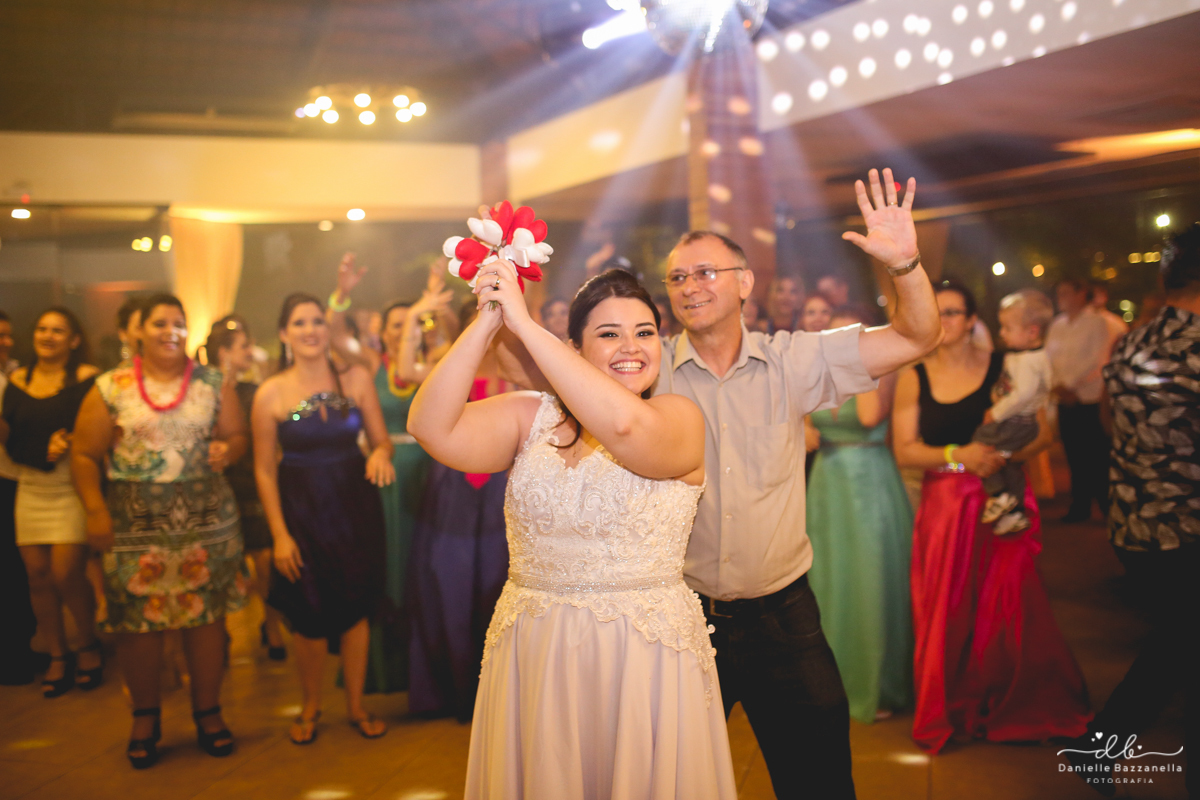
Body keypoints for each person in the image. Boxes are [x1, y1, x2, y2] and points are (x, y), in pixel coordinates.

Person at [495, 169, 942, 797]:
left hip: (784, 615)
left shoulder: (794, 360)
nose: (689, 286)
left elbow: (918, 335)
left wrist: (904, 266)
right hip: (680, 619)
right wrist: (500, 301)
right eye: (677, 277)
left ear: (745, 283)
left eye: (706, 272)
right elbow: (528, 373)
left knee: (820, 782)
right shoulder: (642, 367)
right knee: (663, 783)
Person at [410, 265, 736, 800]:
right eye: (609, 333)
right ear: (574, 349)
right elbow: (430, 426)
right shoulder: (530, 418)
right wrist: (490, 318)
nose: (630, 347)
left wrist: (525, 326)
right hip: (536, 649)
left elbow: (625, 427)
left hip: (642, 654)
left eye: (644, 332)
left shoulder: (679, 418)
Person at [893, 280, 1092, 754]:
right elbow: (905, 450)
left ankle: (1013, 703)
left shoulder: (1005, 365)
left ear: (971, 320)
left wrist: (999, 457)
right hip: (946, 508)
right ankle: (951, 707)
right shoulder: (913, 375)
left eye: (954, 312)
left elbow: (1042, 433)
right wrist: (959, 456)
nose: (945, 321)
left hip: (1002, 499)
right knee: (948, 610)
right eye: (936, 311)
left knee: (1010, 607)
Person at [72, 294, 248, 768]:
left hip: (206, 522)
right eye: (159, 323)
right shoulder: (110, 387)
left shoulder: (213, 382)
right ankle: (145, 718)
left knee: (206, 619)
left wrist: (229, 450)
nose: (171, 331)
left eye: (178, 323)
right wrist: (95, 511)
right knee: (138, 625)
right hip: (135, 526)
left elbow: (237, 437)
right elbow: (84, 455)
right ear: (138, 331)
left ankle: (208, 713)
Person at [1062, 224, 1200, 798]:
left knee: (1180, 644)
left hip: (1137, 524)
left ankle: (1098, 748)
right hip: (1188, 528)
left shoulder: (1134, 341)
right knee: (1183, 645)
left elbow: (1108, 423)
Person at [252, 293, 394, 745]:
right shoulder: (270, 392)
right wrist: (279, 534)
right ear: (284, 333)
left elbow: (382, 441)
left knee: (355, 609)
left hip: (354, 509)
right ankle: (311, 705)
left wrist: (380, 456)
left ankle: (356, 706)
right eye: (299, 322)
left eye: (317, 321)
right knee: (308, 612)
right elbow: (263, 469)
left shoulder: (356, 378)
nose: (310, 330)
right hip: (301, 513)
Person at [330, 256, 449, 694]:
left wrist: (434, 297)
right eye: (396, 325)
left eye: (410, 323)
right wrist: (341, 294)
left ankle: (427, 669)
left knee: (428, 568)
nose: (402, 331)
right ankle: (384, 668)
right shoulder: (370, 364)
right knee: (389, 565)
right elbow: (335, 334)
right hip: (387, 475)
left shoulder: (436, 360)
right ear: (383, 332)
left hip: (432, 472)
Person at [805, 306, 913, 724]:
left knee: (869, 583)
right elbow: (803, 428)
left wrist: (854, 363)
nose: (840, 345)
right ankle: (828, 684)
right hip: (827, 485)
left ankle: (876, 684)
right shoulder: (817, 374)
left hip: (868, 482)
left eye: (850, 336)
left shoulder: (882, 371)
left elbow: (869, 416)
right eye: (833, 337)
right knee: (829, 581)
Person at [405, 300, 511, 721]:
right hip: (454, 491)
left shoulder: (516, 373)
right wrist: (415, 315)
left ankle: (500, 693)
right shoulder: (447, 368)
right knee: (450, 583)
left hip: (501, 490)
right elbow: (404, 372)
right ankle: (458, 691)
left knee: (498, 584)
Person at [0, 309, 102, 697]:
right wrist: (42, 447)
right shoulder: (17, 380)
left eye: (58, 331)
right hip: (30, 484)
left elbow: (99, 426)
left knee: (65, 572)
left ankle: (88, 644)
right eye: (42, 329)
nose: (48, 336)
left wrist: (73, 440)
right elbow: (10, 436)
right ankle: (58, 654)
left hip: (71, 484)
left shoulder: (87, 378)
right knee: (37, 576)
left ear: (74, 340)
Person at [205, 316, 285, 660]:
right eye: (243, 346)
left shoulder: (255, 390)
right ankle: (220, 630)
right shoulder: (204, 391)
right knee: (220, 562)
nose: (251, 351)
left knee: (265, 559)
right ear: (223, 352)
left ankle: (272, 625)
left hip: (254, 479)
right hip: (218, 482)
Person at [971, 289, 1055, 535]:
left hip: (1017, 422)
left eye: (1007, 328)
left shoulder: (1029, 360)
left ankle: (999, 495)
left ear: (1032, 332)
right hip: (1020, 421)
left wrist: (995, 413)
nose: (1001, 333)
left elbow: (1023, 394)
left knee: (982, 444)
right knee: (1010, 466)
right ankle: (1015, 512)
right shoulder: (1028, 356)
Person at [1046, 278, 1112, 522]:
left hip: (1088, 397)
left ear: (1081, 293)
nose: (1061, 298)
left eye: (1065, 292)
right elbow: (1049, 358)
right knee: (1073, 453)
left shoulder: (1096, 322)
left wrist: (1071, 385)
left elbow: (1098, 359)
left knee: (1096, 454)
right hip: (1064, 398)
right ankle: (1080, 505)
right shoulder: (1057, 324)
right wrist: (1058, 385)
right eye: (1058, 293)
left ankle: (1107, 506)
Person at [0, 310, 41, 687]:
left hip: (14, 479)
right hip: (6, 480)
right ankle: (12, 659)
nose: (6, 342)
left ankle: (19, 650)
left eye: (8, 335)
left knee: (15, 572)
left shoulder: (11, 377)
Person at [1090, 281, 1129, 358]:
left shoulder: (1116, 322)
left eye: (1099, 294)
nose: (1095, 298)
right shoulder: (1077, 321)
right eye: (1092, 295)